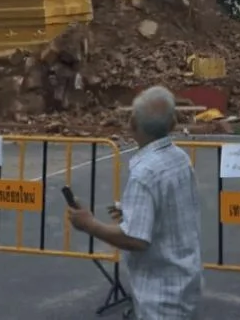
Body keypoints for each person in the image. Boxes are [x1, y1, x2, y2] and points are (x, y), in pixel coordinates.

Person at [69, 85, 202, 320]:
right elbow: (173, 210)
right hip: (186, 281)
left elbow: (135, 239)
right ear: (172, 124)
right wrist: (134, 213)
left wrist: (88, 224)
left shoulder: (145, 173)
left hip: (160, 294)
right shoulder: (180, 159)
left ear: (132, 124)